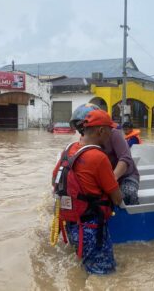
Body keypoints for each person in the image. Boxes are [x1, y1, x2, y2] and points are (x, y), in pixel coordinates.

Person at [52, 109, 123, 275]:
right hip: (91, 226)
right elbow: (117, 197)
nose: (111, 135)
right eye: (110, 130)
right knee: (103, 275)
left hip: (71, 224)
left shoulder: (69, 149)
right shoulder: (98, 157)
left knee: (85, 265)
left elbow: (54, 180)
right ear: (101, 131)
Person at [70, 103, 140, 205]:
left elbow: (125, 159)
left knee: (127, 196)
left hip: (125, 176)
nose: (82, 129)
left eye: (83, 125)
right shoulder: (84, 140)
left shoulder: (113, 133)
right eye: (80, 127)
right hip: (105, 177)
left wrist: (112, 180)